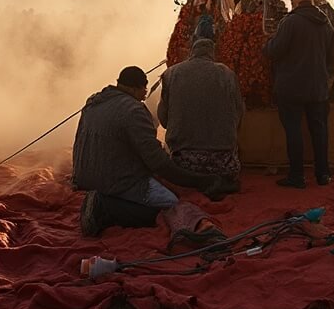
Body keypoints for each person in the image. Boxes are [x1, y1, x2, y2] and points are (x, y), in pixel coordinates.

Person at [72, 66, 232, 235]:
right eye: (144, 90)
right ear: (136, 88)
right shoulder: (133, 110)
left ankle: (103, 200)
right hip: (116, 178)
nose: (144, 95)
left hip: (85, 177)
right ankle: (105, 208)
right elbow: (158, 163)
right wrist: (198, 180)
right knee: (169, 205)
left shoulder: (93, 102)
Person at [263, 0, 334, 188]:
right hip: (318, 87)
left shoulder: (291, 22)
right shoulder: (325, 22)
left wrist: (266, 45)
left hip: (292, 87)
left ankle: (297, 176)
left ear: (295, 0)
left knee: (294, 131)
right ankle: (323, 174)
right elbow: (332, 55)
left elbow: (275, 50)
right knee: (319, 131)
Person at [157, 17, 244, 180]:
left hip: (183, 164)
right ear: (215, 47)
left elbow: (164, 120)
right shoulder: (227, 75)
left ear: (192, 45)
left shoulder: (172, 73)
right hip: (223, 166)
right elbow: (239, 115)